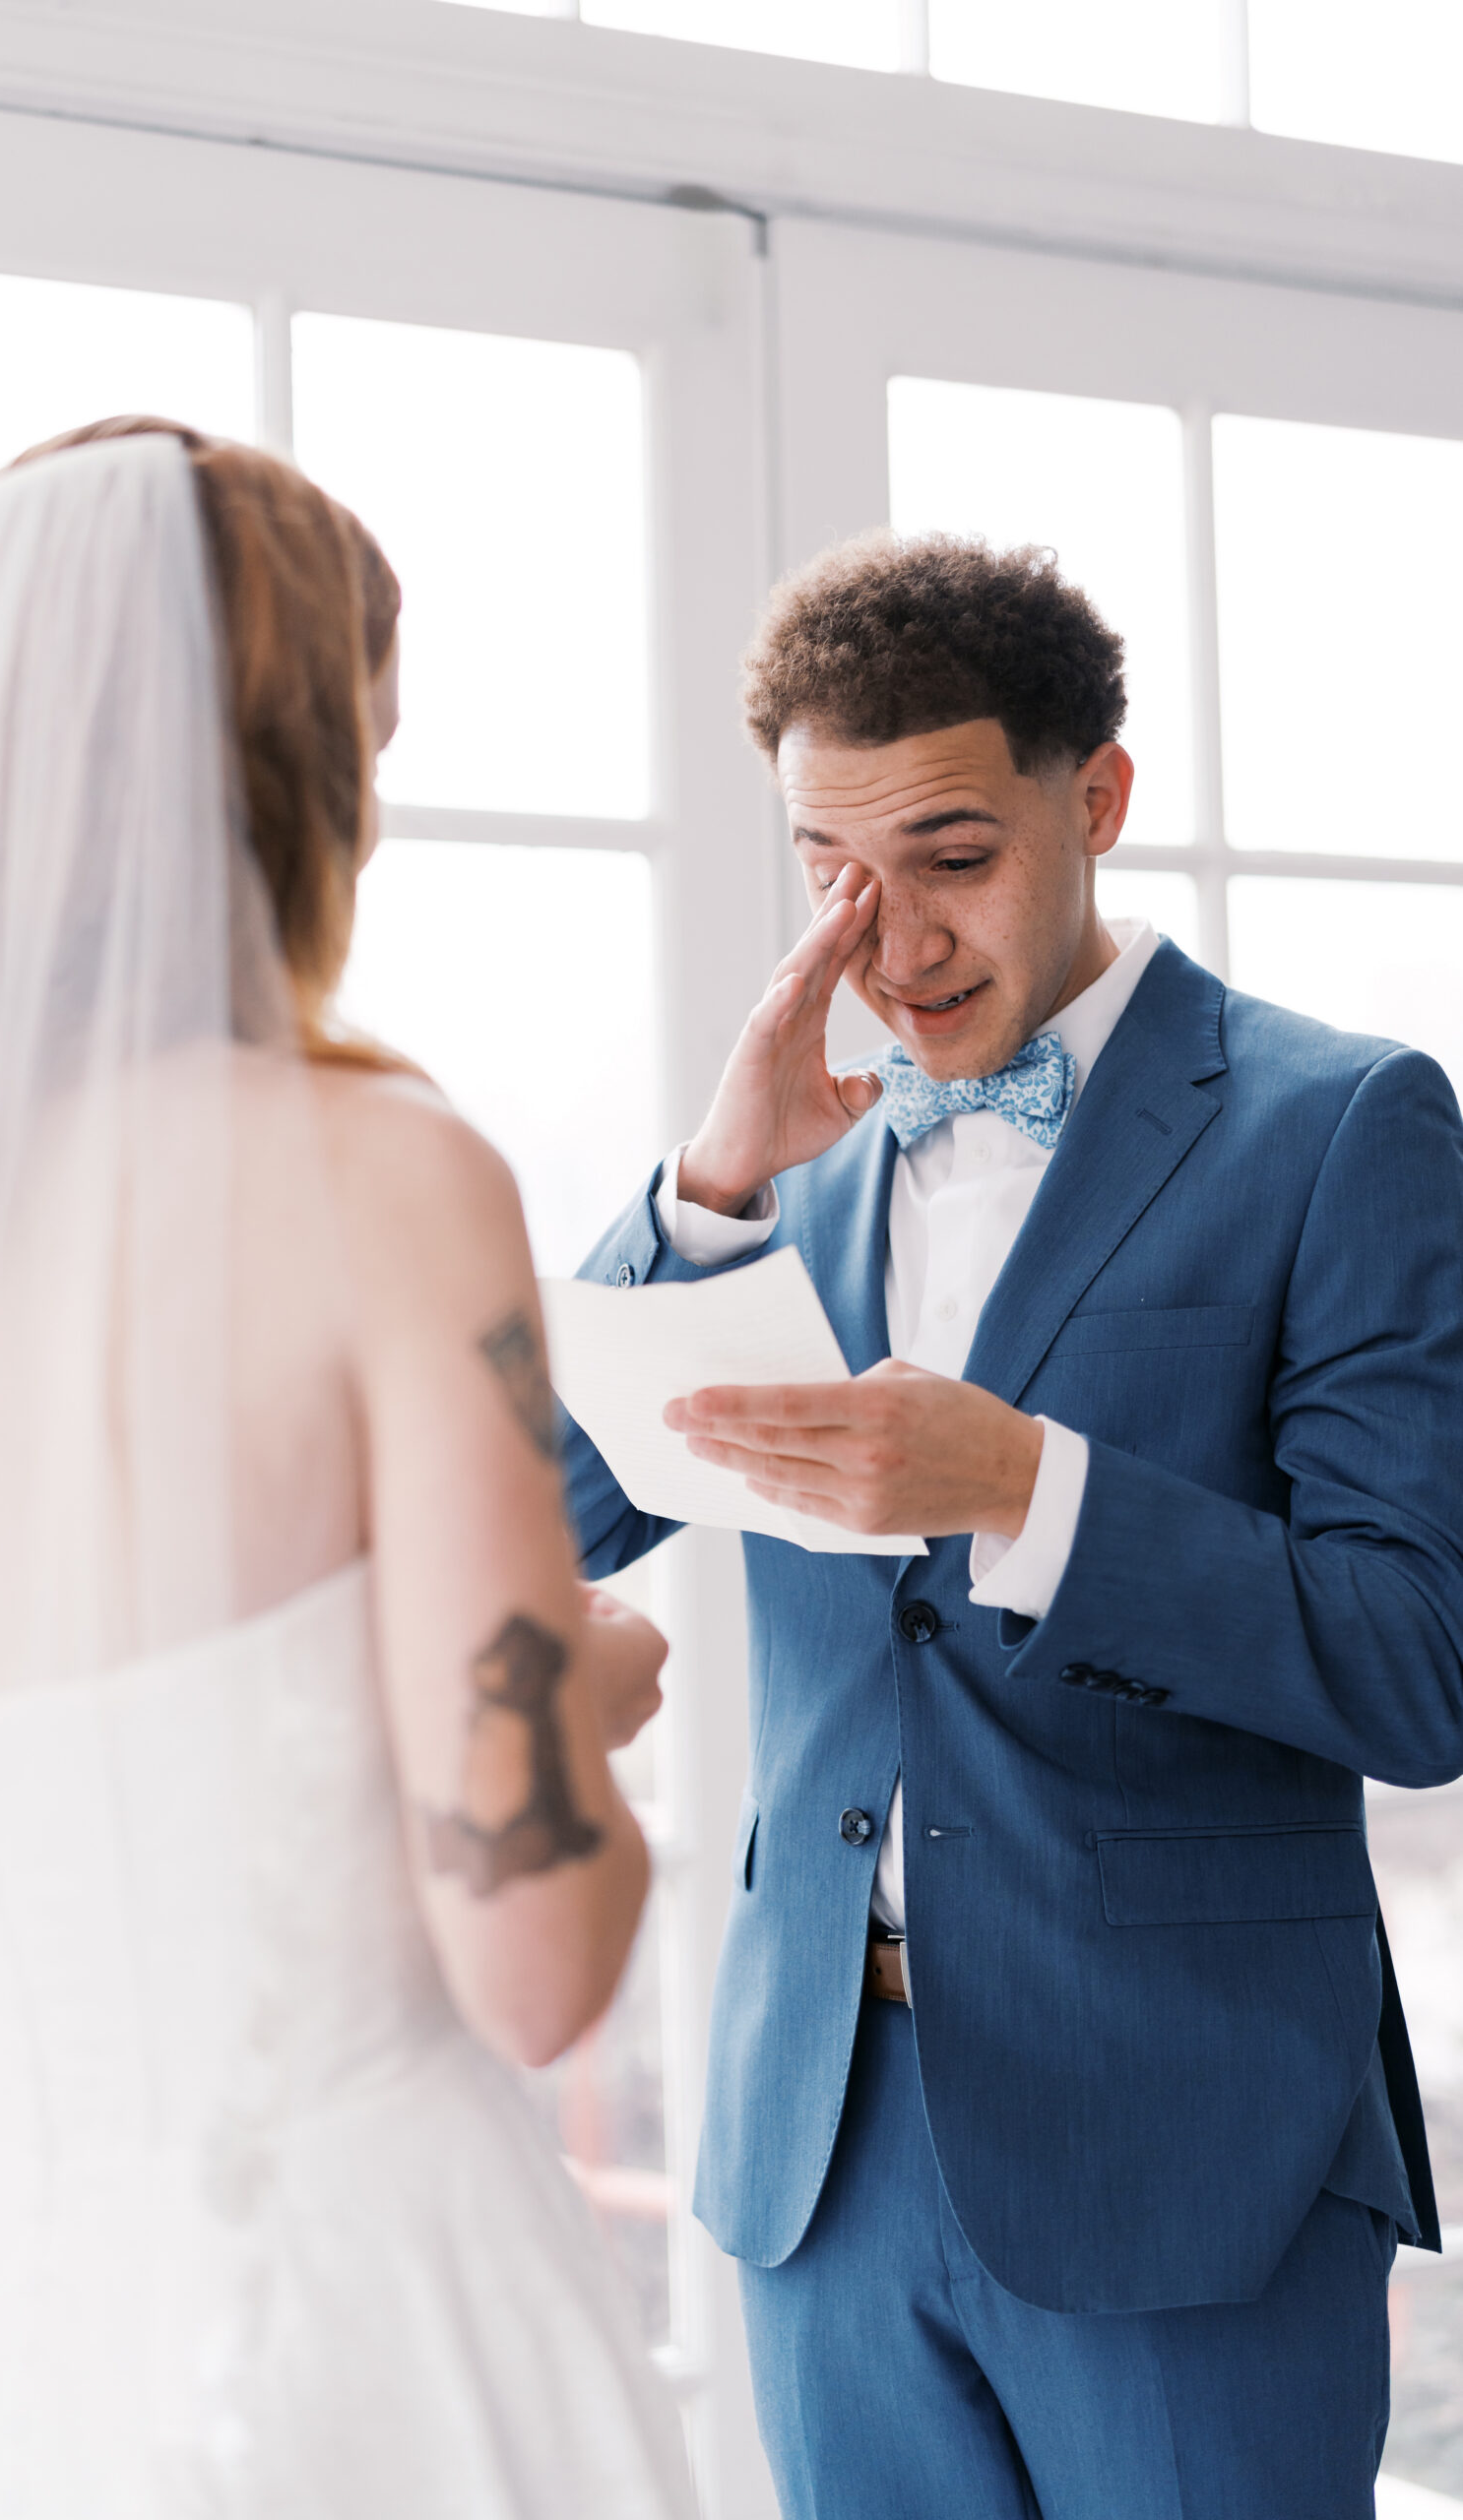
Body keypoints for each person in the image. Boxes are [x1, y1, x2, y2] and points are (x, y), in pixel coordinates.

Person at [0, 417, 694, 2518]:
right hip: (341, 2320)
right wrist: (581, 1678)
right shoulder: (380, 1178)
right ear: (295, 781)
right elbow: (533, 1955)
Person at [562, 530, 1463, 2519]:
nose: (888, 944)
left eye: (952, 857)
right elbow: (551, 1506)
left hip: (1185, 2140)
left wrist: (1024, 1491)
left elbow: (1416, 1661)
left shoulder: (1342, 1123)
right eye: (829, 873)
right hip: (823, 2142)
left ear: (1098, 801)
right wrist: (707, 1182)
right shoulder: (774, 1156)